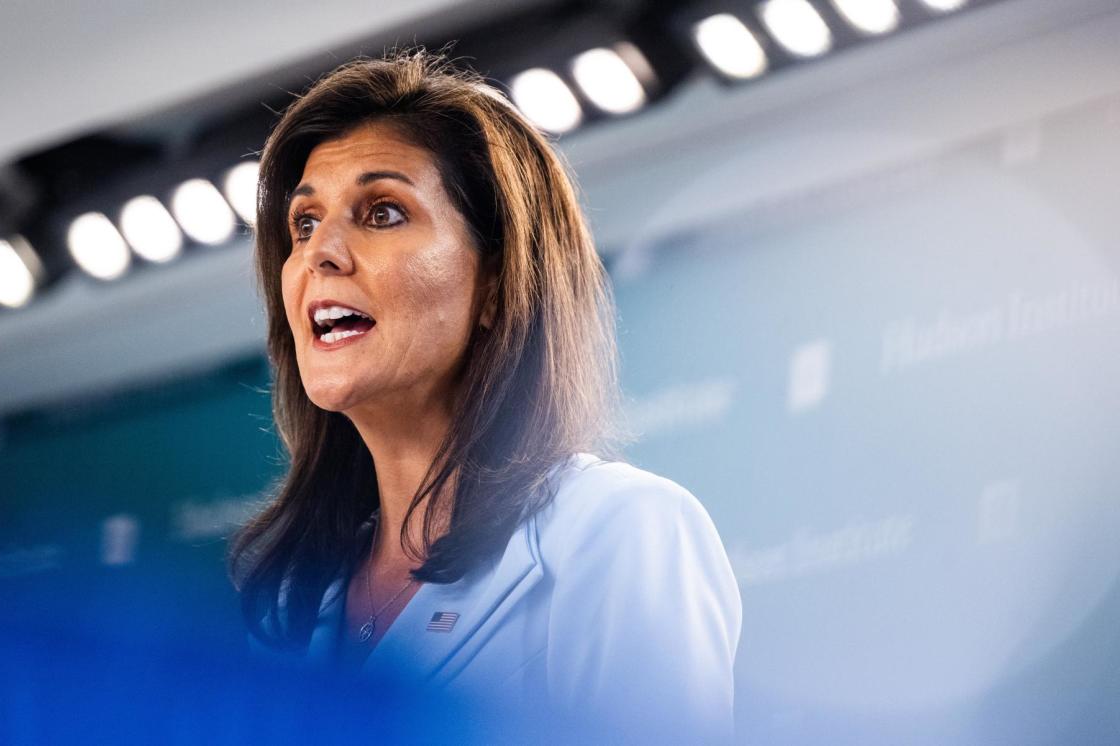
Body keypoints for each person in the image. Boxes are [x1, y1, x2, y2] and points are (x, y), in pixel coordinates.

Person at [228, 48, 742, 742]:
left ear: (499, 282)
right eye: (305, 224)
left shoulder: (617, 529)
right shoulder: (291, 604)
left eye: (381, 212)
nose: (322, 252)